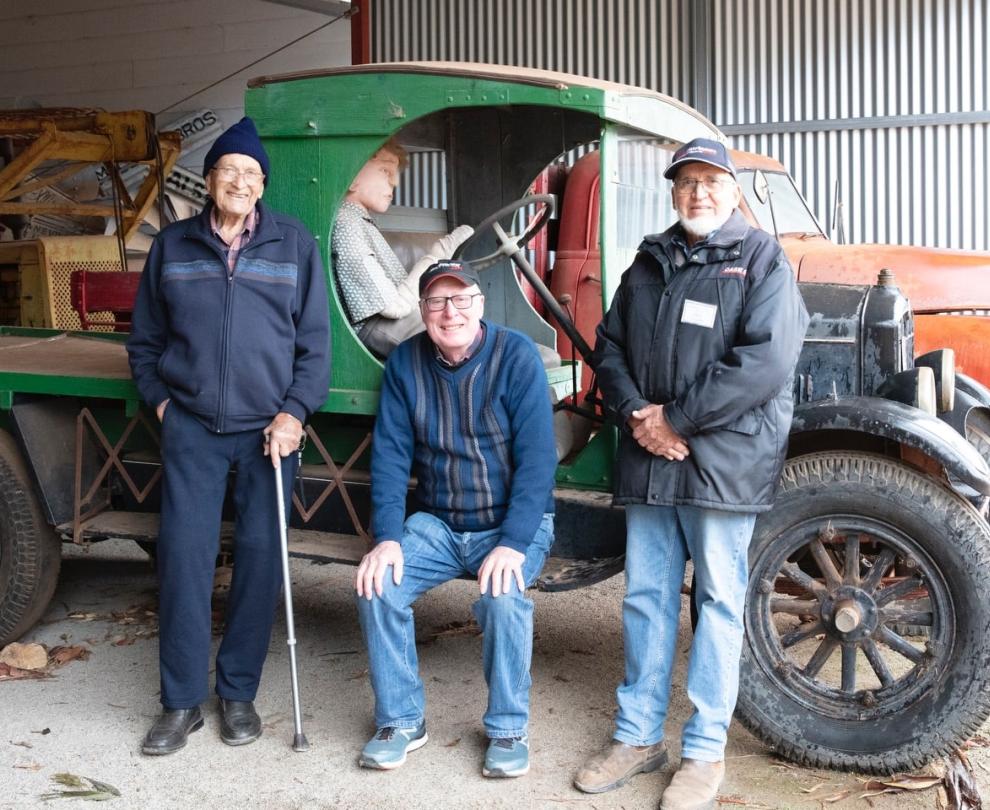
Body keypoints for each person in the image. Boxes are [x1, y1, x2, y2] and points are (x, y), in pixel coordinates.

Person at [573, 138, 809, 809]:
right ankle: (638, 738)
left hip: (719, 463)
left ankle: (704, 753)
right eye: (686, 182)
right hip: (652, 457)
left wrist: (675, 420)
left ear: (732, 192)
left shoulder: (761, 259)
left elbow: (766, 361)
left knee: (718, 604)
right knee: (646, 598)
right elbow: (609, 346)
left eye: (711, 181)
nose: (698, 193)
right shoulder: (648, 260)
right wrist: (636, 414)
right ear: (673, 191)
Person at [127, 117, 331, 755]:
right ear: (209, 179)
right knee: (183, 562)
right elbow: (144, 343)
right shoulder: (173, 246)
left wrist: (294, 412)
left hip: (269, 433)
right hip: (192, 426)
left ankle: (238, 693)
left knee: (260, 562)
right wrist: (164, 406)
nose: (239, 182)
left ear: (262, 185)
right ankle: (181, 702)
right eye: (228, 171)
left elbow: (315, 347)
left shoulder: (293, 244)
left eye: (251, 174)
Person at [354, 259, 556, 778]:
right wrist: (387, 538)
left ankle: (508, 729)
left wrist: (513, 543)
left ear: (479, 304)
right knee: (378, 585)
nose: (451, 312)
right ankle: (401, 721)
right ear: (423, 310)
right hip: (439, 524)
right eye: (438, 302)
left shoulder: (516, 356)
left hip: (509, 524)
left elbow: (538, 461)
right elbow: (390, 457)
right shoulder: (406, 362)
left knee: (503, 597)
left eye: (461, 299)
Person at [331, 139, 472, 357]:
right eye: (385, 170)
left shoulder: (360, 222)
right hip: (377, 327)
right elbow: (392, 307)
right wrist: (439, 253)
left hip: (394, 321)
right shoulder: (346, 224)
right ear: (351, 175)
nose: (395, 182)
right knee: (470, 347)